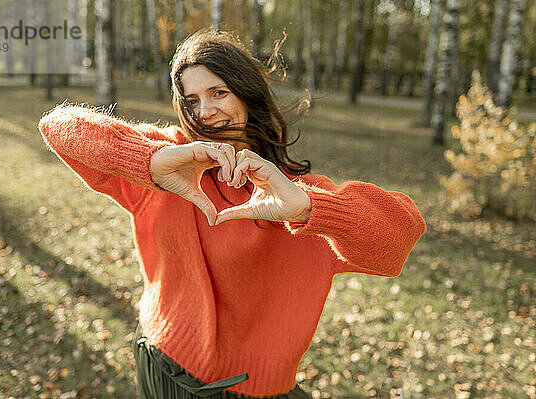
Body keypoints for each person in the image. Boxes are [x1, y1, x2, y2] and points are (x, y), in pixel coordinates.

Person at [38, 29, 426, 399]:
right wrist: (148, 161)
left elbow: (399, 237)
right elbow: (58, 126)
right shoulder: (168, 163)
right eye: (191, 100)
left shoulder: (294, 196)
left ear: (246, 94)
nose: (204, 112)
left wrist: (312, 208)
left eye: (218, 92)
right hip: (163, 364)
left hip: (258, 388)